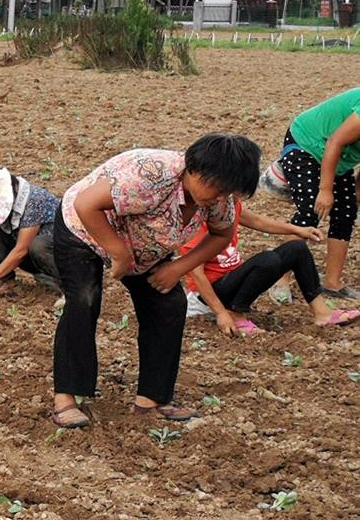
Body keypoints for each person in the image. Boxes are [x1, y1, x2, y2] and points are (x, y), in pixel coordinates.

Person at [49, 134, 262, 428]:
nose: (219, 198)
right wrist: (118, 253)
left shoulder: (216, 200)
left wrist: (179, 268)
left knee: (168, 304)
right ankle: (67, 397)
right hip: (84, 228)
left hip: (145, 247)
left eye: (228, 192)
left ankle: (152, 400)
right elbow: (86, 204)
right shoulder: (150, 177)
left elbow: (222, 234)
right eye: (217, 187)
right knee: (84, 298)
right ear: (195, 169)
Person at [183, 203, 360, 334]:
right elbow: (197, 275)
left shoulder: (229, 205)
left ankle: (322, 312)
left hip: (233, 282)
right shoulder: (197, 221)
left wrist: (298, 230)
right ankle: (236, 315)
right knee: (268, 260)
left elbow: (260, 221)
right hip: (208, 295)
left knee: (297, 247)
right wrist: (220, 313)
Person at [265, 88, 360, 301]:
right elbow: (335, 141)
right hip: (308, 142)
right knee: (311, 209)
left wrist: (356, 194)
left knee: (346, 212)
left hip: (340, 157)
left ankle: (332, 284)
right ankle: (280, 279)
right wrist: (325, 190)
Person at [0, 167, 61, 292]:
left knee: (38, 245)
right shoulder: (9, 198)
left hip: (53, 254)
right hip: (30, 256)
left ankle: (66, 287)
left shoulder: (35, 201)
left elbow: (21, 250)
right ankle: (8, 281)